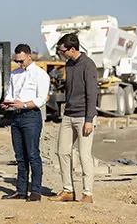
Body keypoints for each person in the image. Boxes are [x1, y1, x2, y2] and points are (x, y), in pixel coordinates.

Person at [48, 33, 98, 203]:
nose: (60, 54)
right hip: (68, 115)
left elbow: (92, 94)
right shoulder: (68, 65)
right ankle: (68, 191)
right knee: (62, 152)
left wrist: (89, 119)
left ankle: (87, 193)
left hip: (84, 117)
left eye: (62, 51)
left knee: (84, 155)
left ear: (72, 49)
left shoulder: (88, 65)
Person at [1, 44, 50, 202]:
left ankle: (35, 191)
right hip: (16, 116)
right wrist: (7, 102)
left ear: (29, 56)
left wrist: (23, 104)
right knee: (20, 157)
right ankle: (21, 190)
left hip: (31, 116)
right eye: (17, 61)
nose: (19, 64)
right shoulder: (15, 73)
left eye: (21, 61)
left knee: (33, 155)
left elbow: (41, 99)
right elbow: (10, 92)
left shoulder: (40, 75)